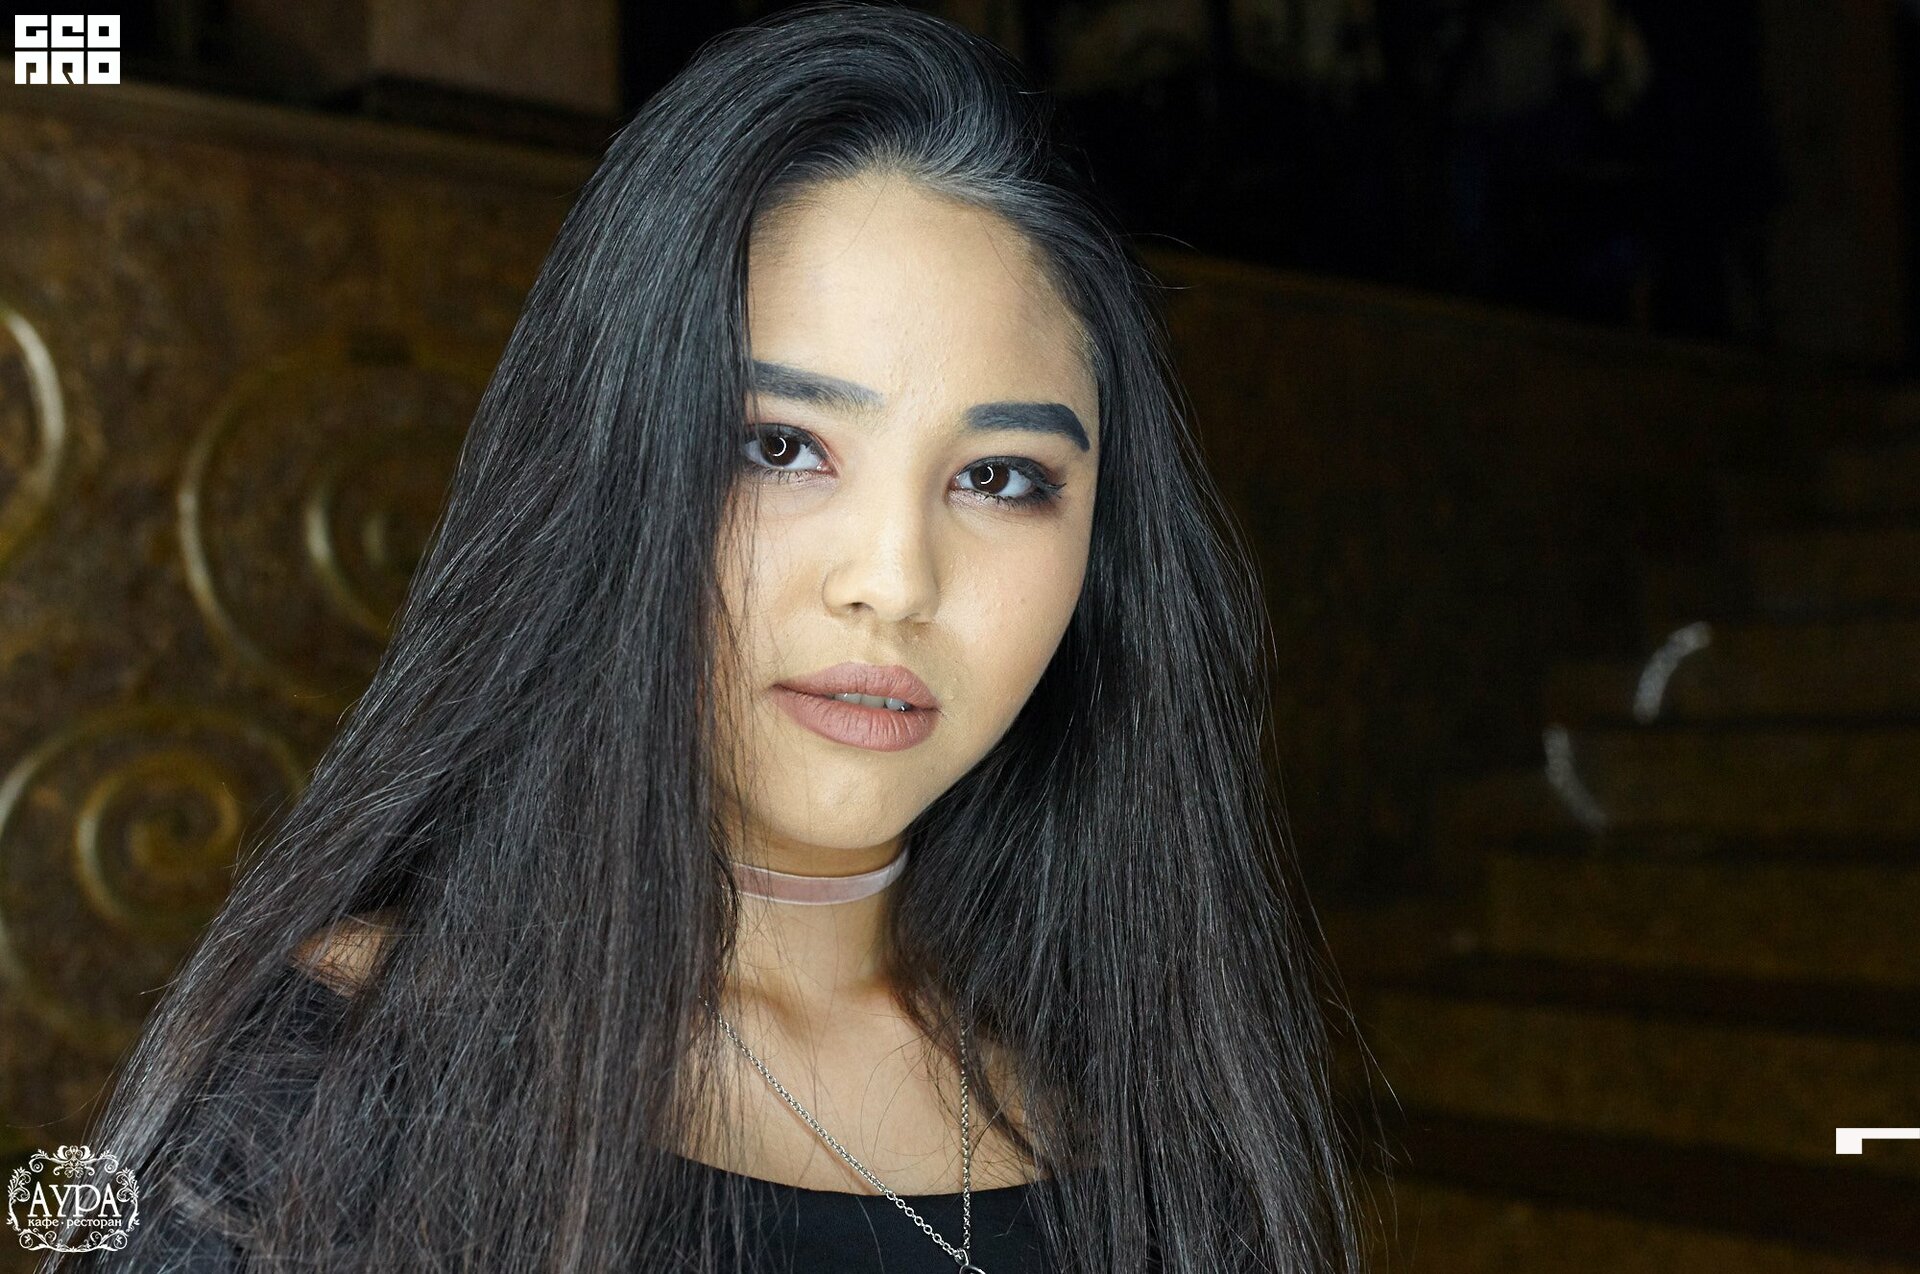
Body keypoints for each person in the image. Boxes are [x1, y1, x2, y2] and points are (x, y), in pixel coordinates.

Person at [46, 4, 1370, 1270]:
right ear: (608, 468)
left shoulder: (1146, 1097)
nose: (893, 580)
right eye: (781, 447)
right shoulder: (318, 1100)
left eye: (1000, 476)